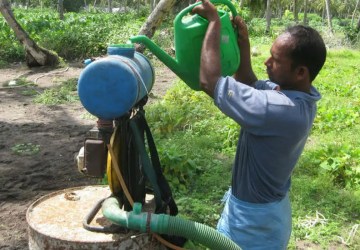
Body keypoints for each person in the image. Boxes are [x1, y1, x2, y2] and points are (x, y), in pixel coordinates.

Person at [192, 0, 326, 249]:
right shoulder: (299, 96)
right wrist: (244, 44)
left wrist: (214, 24)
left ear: (300, 72)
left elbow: (209, 82)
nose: (266, 62)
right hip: (268, 212)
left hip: (253, 223)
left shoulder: (277, 108)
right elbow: (249, 82)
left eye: (275, 59)